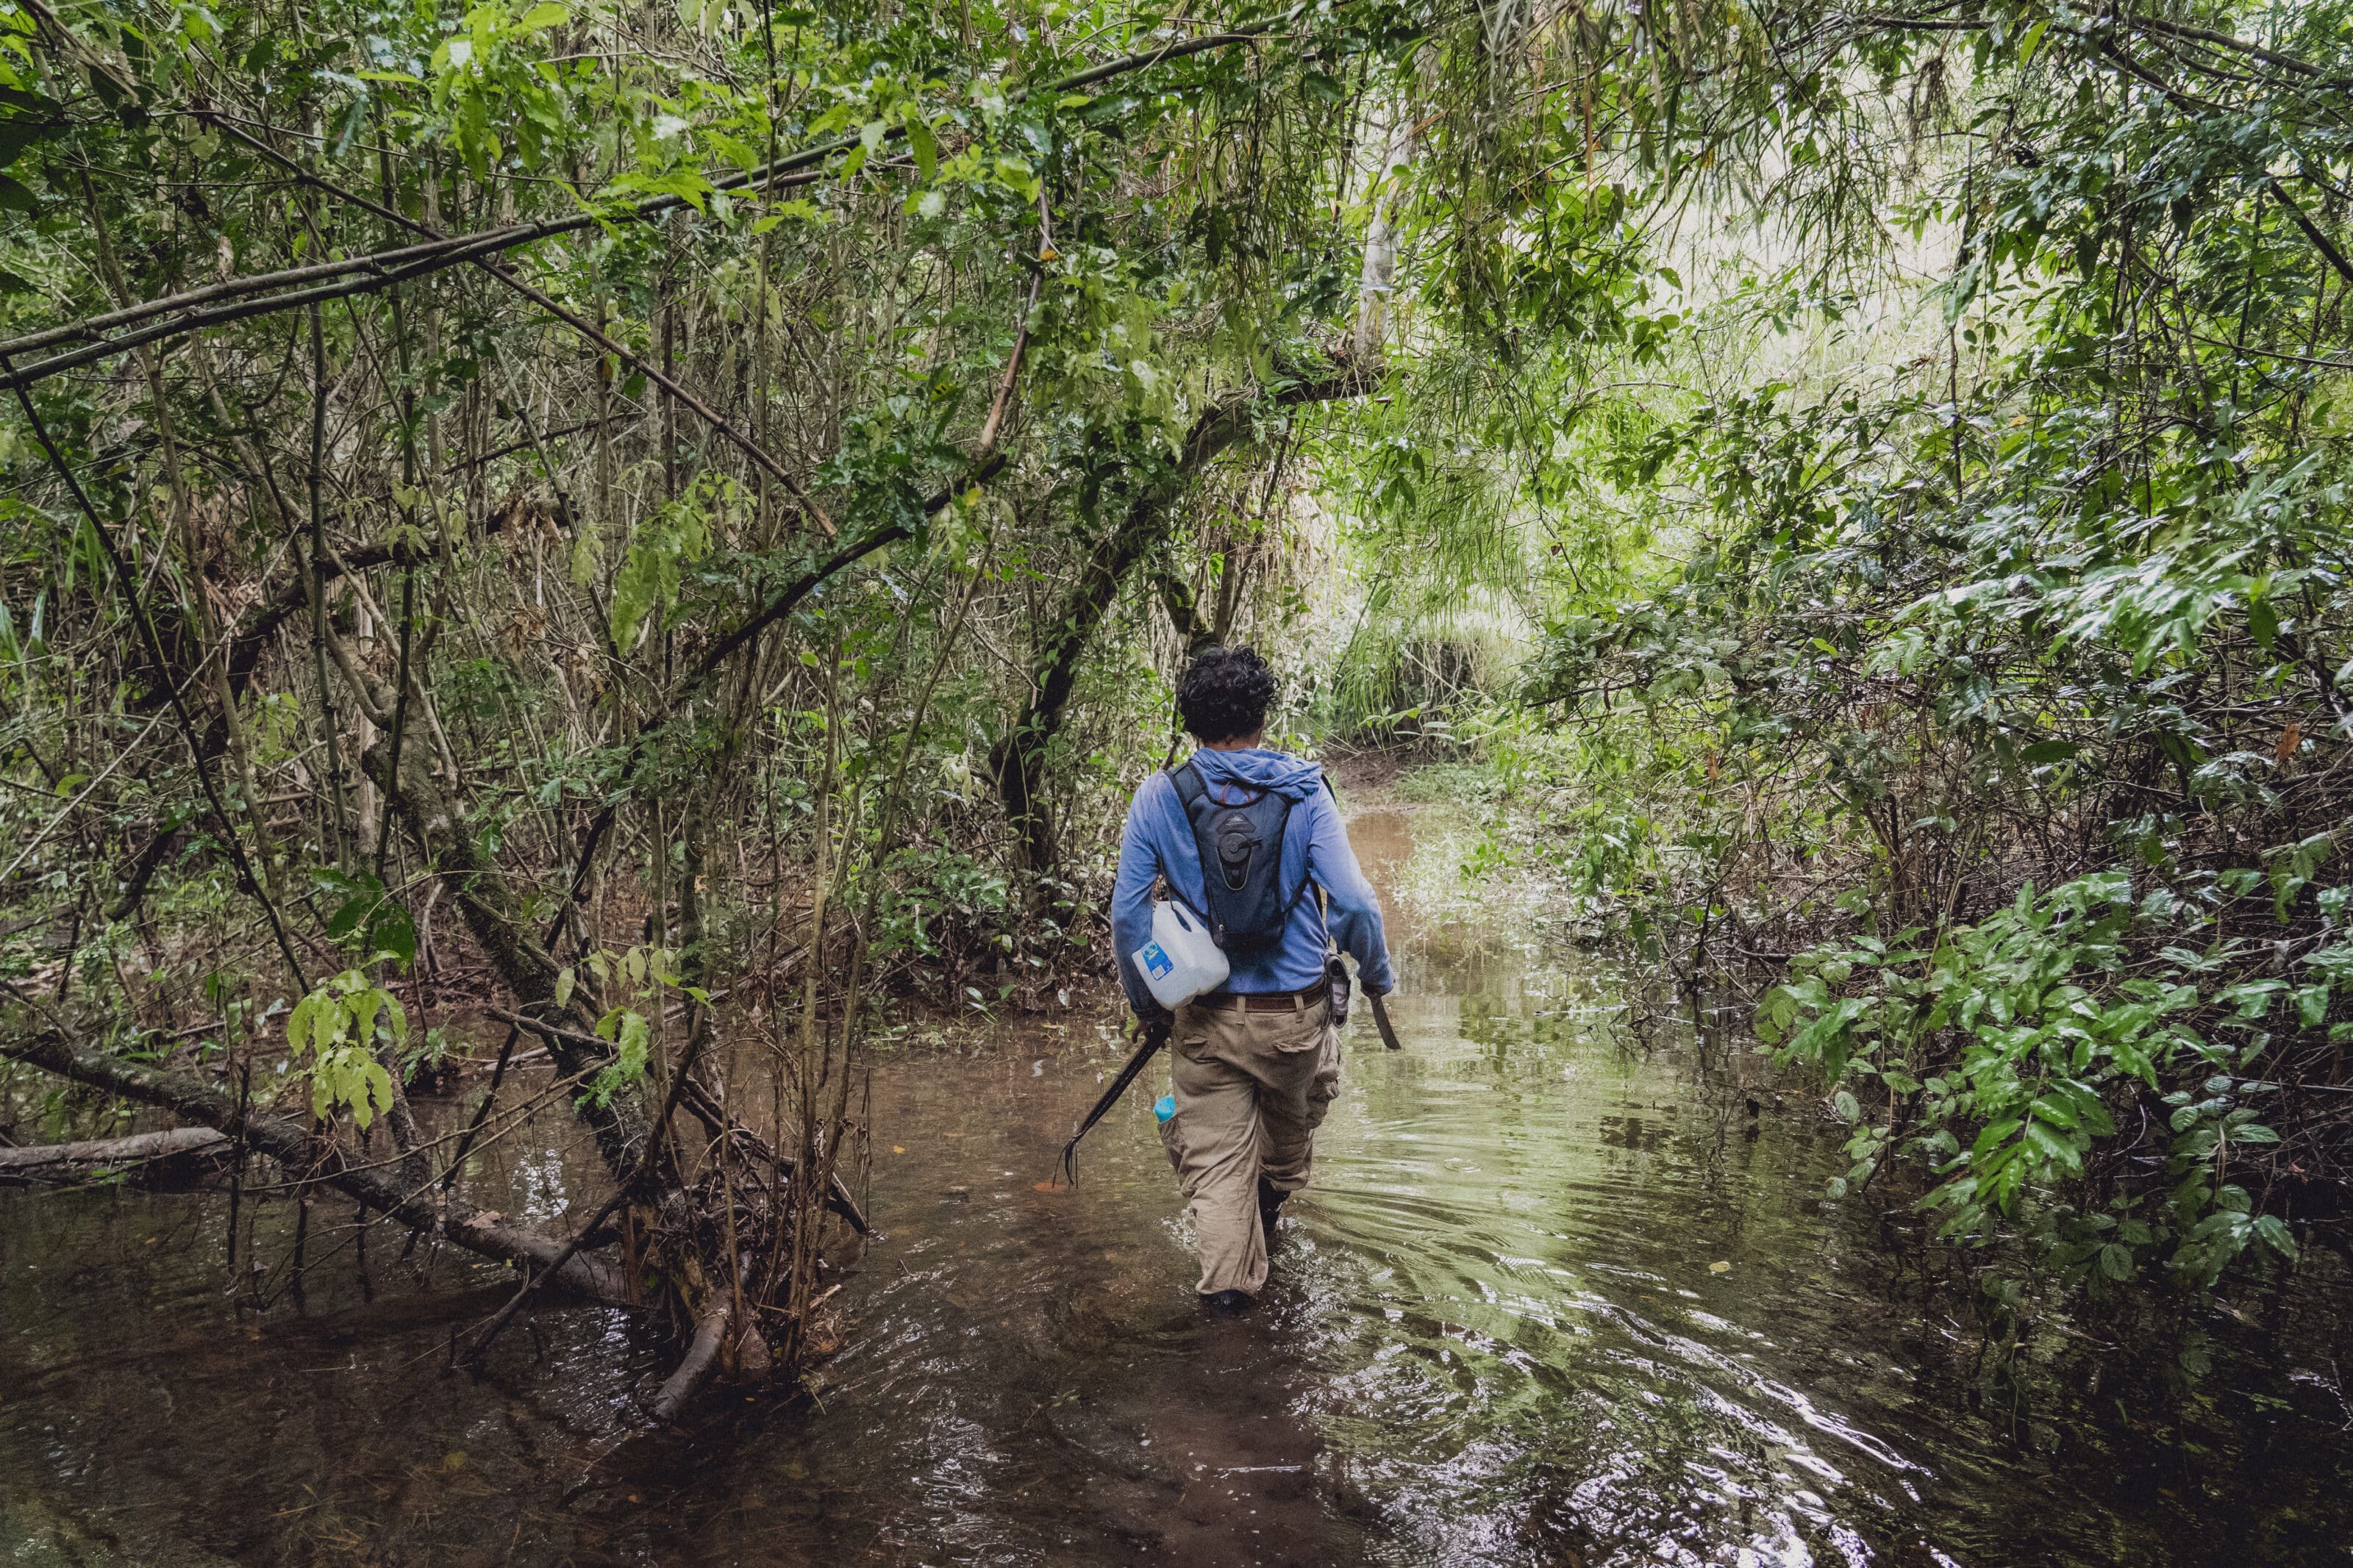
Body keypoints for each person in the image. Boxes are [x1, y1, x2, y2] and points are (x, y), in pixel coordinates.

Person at [1110, 646, 1396, 1313]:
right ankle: (1265, 1209)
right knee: (1292, 1132)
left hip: (1206, 1019)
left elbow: (1127, 916)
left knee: (1215, 1174)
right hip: (1295, 1018)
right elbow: (1353, 903)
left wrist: (1147, 1003)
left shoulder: (1159, 797)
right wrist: (1376, 975)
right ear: (1263, 717)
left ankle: (1228, 1313)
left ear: (1191, 722)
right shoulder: (1305, 789)